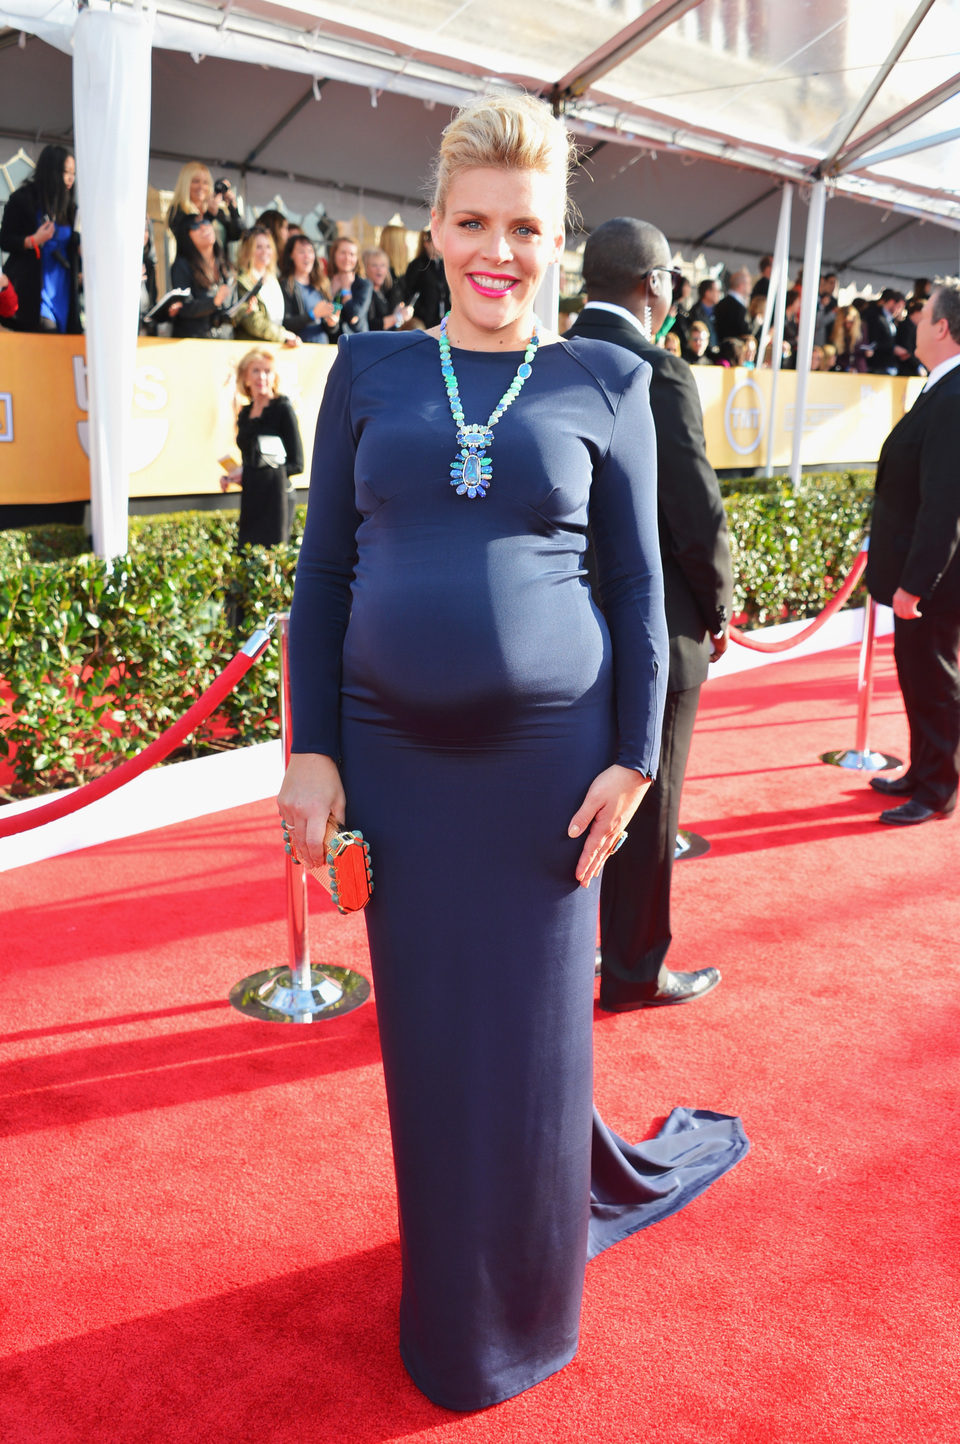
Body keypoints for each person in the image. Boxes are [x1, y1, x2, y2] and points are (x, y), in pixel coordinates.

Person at [277, 92, 747, 1412]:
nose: (499, 251)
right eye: (474, 221)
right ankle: (451, 1299)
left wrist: (636, 764)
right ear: (433, 226)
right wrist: (313, 752)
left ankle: (528, 1310)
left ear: (557, 243)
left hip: (550, 779)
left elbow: (641, 587)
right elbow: (323, 576)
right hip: (399, 782)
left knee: (537, 1051)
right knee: (431, 1044)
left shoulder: (609, 380)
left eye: (526, 229)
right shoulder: (365, 371)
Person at [566, 217, 732, 1013]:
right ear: (656, 285)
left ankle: (570, 958)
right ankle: (634, 971)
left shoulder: (550, 361)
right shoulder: (658, 371)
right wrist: (721, 608)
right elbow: (696, 514)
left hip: (565, 632)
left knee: (569, 798)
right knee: (646, 800)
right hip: (653, 629)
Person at [866, 283, 960, 826]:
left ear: (942, 327)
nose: (915, 323)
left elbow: (945, 501)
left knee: (934, 680)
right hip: (919, 574)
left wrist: (917, 582)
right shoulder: (939, 388)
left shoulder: (954, 396)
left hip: (934, 583)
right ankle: (923, 769)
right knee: (918, 676)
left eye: (923, 316)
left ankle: (937, 786)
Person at [222, 348, 304, 548]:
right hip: (253, 498)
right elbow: (251, 461)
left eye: (267, 371)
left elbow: (297, 464)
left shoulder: (282, 409)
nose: (262, 377)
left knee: (271, 561)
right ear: (245, 378)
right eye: (256, 371)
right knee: (247, 557)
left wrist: (253, 473)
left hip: (277, 501)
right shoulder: (245, 414)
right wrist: (235, 475)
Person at [0, 145, 81, 333]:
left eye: (73, 173)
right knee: (46, 333)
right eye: (66, 172)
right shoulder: (22, 200)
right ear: (51, 171)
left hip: (63, 288)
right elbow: (5, 240)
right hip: (34, 289)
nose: (71, 179)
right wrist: (32, 240)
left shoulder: (70, 208)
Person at [170, 215, 236, 340]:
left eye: (206, 221)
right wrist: (213, 302)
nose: (203, 227)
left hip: (224, 340)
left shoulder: (224, 263)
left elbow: (229, 307)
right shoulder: (182, 265)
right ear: (186, 236)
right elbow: (183, 307)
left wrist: (243, 309)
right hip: (196, 341)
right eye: (195, 226)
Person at [233, 228, 301, 347]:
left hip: (276, 345)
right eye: (258, 247)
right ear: (248, 250)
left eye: (268, 246)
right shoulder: (242, 281)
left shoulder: (274, 278)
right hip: (254, 349)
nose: (265, 251)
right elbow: (253, 323)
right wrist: (283, 335)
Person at [166, 162, 242, 260]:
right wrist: (209, 216)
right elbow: (188, 239)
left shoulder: (217, 212)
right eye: (196, 181)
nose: (201, 187)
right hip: (192, 270)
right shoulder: (177, 211)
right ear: (185, 184)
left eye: (205, 182)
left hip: (217, 270)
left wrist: (233, 209)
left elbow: (237, 234)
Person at [279, 233, 335, 342]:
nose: (307, 256)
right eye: (301, 252)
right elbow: (285, 323)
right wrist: (313, 315)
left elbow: (332, 330)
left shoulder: (322, 284)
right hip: (299, 350)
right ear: (291, 255)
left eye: (310, 251)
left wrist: (332, 323)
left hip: (322, 350)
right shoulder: (286, 285)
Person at [401, 226, 450, 328]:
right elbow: (409, 290)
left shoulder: (443, 265)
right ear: (427, 244)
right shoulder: (417, 265)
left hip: (441, 318)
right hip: (423, 320)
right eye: (436, 242)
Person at [326, 236, 373, 336]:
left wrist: (346, 289)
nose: (347, 258)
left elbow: (355, 316)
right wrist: (332, 292)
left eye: (352, 254)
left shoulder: (364, 285)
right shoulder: (325, 282)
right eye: (343, 253)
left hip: (356, 342)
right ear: (334, 255)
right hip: (330, 342)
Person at [363, 247, 414, 330]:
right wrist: (398, 317)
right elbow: (372, 324)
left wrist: (398, 313)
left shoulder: (384, 291)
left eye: (383, 265)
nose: (379, 269)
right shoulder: (366, 292)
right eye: (374, 265)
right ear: (366, 268)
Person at [713, 267, 752, 343]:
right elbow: (745, 334)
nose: (751, 287)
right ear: (741, 285)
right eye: (749, 283)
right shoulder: (739, 308)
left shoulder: (721, 304)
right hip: (736, 350)